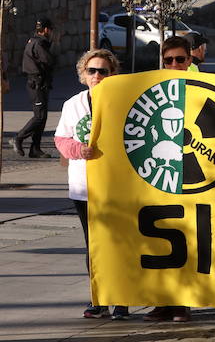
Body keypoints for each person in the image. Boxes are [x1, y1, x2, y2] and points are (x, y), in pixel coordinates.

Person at [53, 49, 129, 320]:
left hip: (117, 186)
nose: (97, 76)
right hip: (84, 185)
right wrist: (78, 149)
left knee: (119, 242)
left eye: (103, 71)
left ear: (112, 74)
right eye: (92, 71)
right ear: (83, 75)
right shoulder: (73, 104)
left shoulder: (123, 102)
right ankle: (98, 298)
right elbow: (61, 139)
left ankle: (121, 298)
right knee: (94, 244)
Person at [144, 38, 192, 322]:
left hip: (191, 178)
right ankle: (161, 301)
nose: (174, 65)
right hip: (160, 175)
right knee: (160, 241)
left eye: (180, 59)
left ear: (190, 60)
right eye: (169, 60)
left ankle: (183, 303)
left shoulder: (200, 88)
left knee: (185, 242)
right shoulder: (152, 89)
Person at [12, 17, 56, 158]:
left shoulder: (33, 41)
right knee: (39, 116)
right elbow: (50, 61)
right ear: (46, 30)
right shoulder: (39, 44)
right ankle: (18, 138)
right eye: (51, 30)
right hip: (37, 83)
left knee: (42, 117)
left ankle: (35, 148)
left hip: (39, 83)